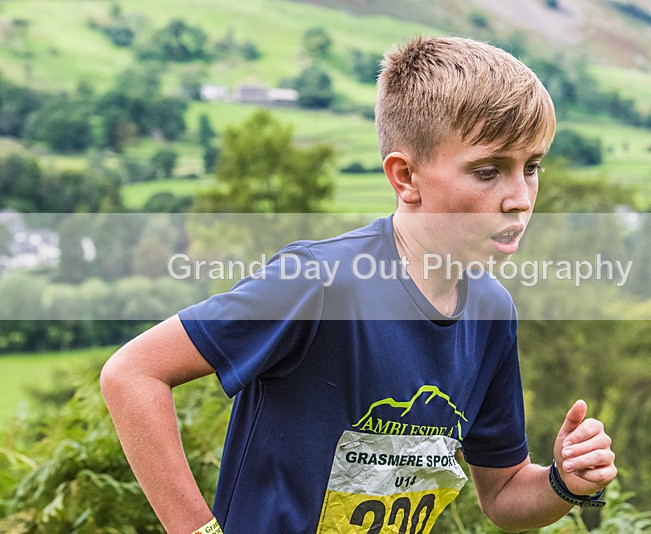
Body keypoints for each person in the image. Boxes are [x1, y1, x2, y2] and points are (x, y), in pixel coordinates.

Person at [101, 35, 616, 533]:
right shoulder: (320, 283)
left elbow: (503, 494)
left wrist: (563, 482)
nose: (520, 198)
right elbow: (132, 374)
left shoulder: (491, 311)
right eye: (487, 171)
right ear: (405, 177)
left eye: (532, 167)